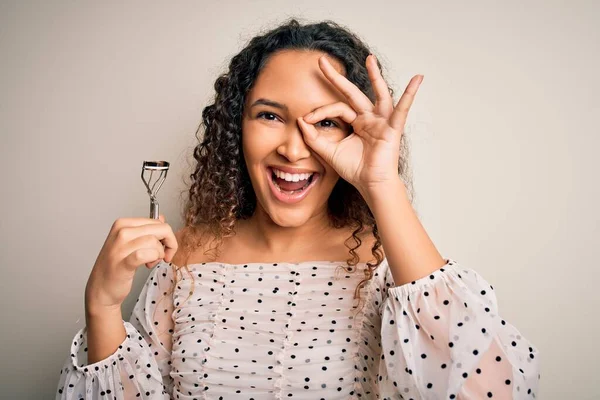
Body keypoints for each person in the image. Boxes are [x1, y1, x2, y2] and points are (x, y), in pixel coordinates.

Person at [56, 18, 540, 399]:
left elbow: (489, 392)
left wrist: (382, 183)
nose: (294, 148)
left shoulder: (388, 262)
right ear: (236, 127)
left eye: (326, 122)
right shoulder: (184, 258)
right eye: (270, 115)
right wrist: (101, 307)